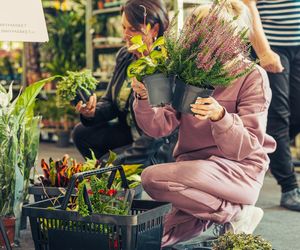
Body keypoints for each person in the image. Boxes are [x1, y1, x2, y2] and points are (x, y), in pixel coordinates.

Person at [131, 0, 276, 247]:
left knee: (151, 176)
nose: (196, 37)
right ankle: (227, 216)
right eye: (194, 28)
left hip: (238, 172)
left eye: (204, 30)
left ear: (229, 35)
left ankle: (235, 213)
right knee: (152, 240)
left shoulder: (252, 76)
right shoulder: (186, 71)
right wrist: (144, 99)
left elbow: (249, 146)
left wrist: (221, 117)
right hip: (193, 171)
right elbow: (160, 127)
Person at [72, 0, 177, 166]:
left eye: (133, 29)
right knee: (82, 133)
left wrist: (111, 162)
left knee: (107, 164)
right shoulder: (125, 56)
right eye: (123, 27)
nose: (125, 35)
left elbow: (158, 131)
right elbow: (110, 103)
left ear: (154, 29)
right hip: (129, 133)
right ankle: (121, 182)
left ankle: (124, 178)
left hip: (154, 143)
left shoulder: (164, 62)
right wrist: (91, 112)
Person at [243, 0, 300, 211]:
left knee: (295, 116)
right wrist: (263, 51)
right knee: (278, 116)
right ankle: (289, 187)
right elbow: (248, 4)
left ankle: (263, 152)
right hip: (271, 45)